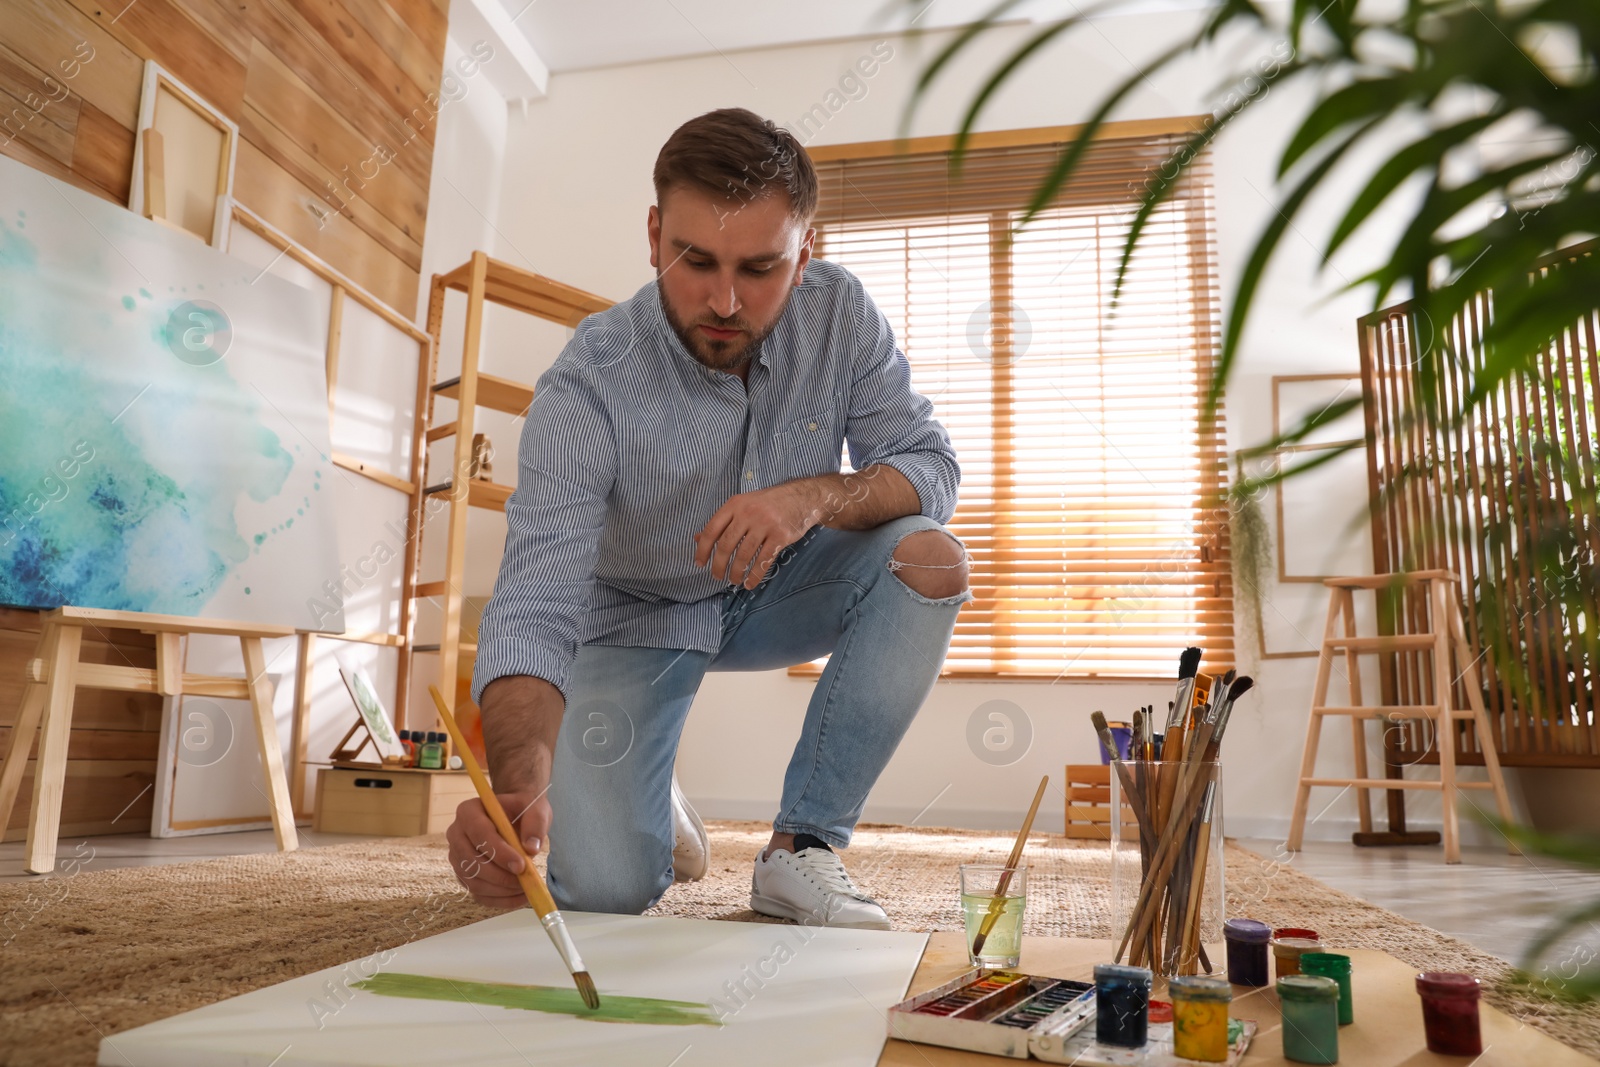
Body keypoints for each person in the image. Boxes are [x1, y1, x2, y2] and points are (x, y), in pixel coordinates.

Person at [445, 107, 968, 930]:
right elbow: (535, 608)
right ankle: (649, 795)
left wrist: (810, 498)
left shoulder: (841, 314)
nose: (725, 300)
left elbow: (931, 465)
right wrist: (517, 786)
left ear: (805, 255)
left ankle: (801, 849)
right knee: (604, 889)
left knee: (928, 557)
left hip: (779, 589)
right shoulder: (587, 382)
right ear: (655, 237)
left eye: (760, 267)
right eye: (697, 261)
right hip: (631, 615)